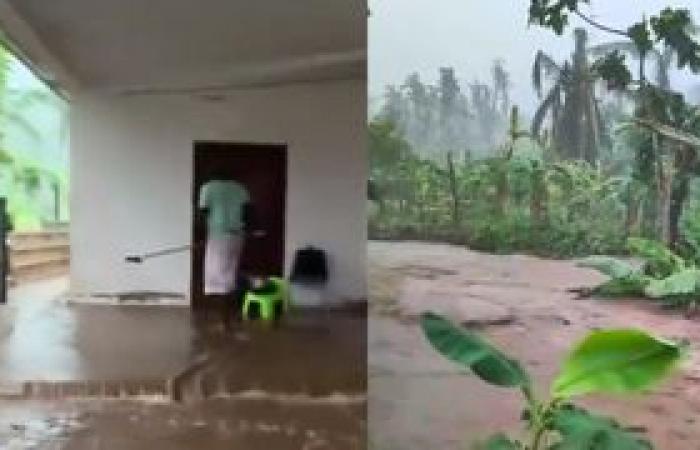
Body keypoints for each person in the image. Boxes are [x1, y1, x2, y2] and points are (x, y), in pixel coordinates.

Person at [197, 176, 257, 331]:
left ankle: (225, 323)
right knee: (228, 276)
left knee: (219, 280)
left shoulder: (208, 188)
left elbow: (203, 213)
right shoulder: (240, 188)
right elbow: (248, 213)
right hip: (237, 236)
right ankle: (227, 319)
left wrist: (202, 237)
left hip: (218, 236)